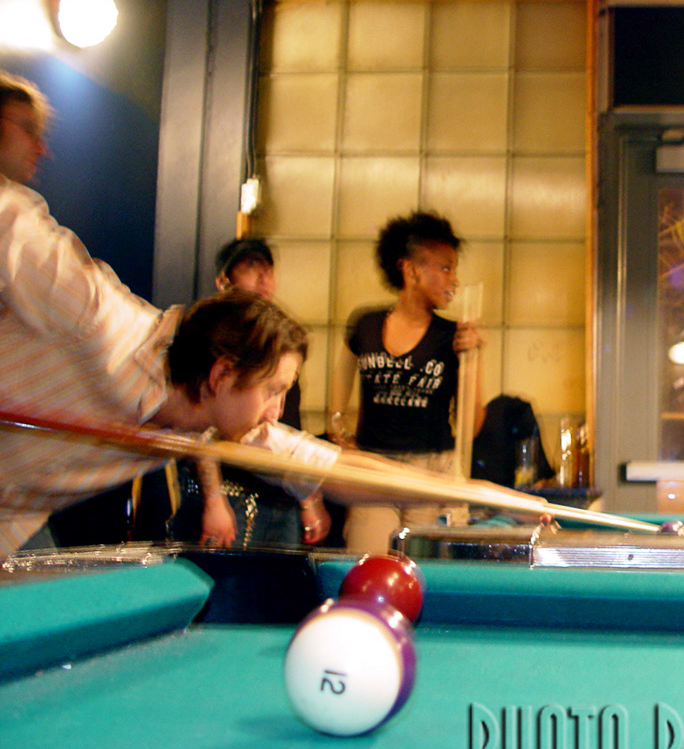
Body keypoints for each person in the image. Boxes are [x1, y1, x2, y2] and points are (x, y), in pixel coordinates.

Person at [0, 71, 503, 558]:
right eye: (273, 391)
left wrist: (479, 493)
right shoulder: (94, 315)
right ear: (222, 373)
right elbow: (11, 218)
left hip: (11, 518)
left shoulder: (222, 414)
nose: (275, 413)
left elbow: (337, 468)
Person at [328, 210, 485, 553]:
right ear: (411, 269)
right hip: (374, 468)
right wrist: (340, 434)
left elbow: (472, 425)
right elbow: (337, 397)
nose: (455, 280)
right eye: (446, 268)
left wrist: (474, 358)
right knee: (368, 563)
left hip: (432, 470)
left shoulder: (453, 335)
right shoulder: (365, 324)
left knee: (425, 571)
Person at [164, 237, 331, 548]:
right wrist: (215, 500)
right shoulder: (208, 335)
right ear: (223, 280)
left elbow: (286, 428)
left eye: (268, 269)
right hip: (232, 491)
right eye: (251, 268)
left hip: (280, 492)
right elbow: (200, 431)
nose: (263, 278)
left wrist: (308, 497)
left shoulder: (280, 342)